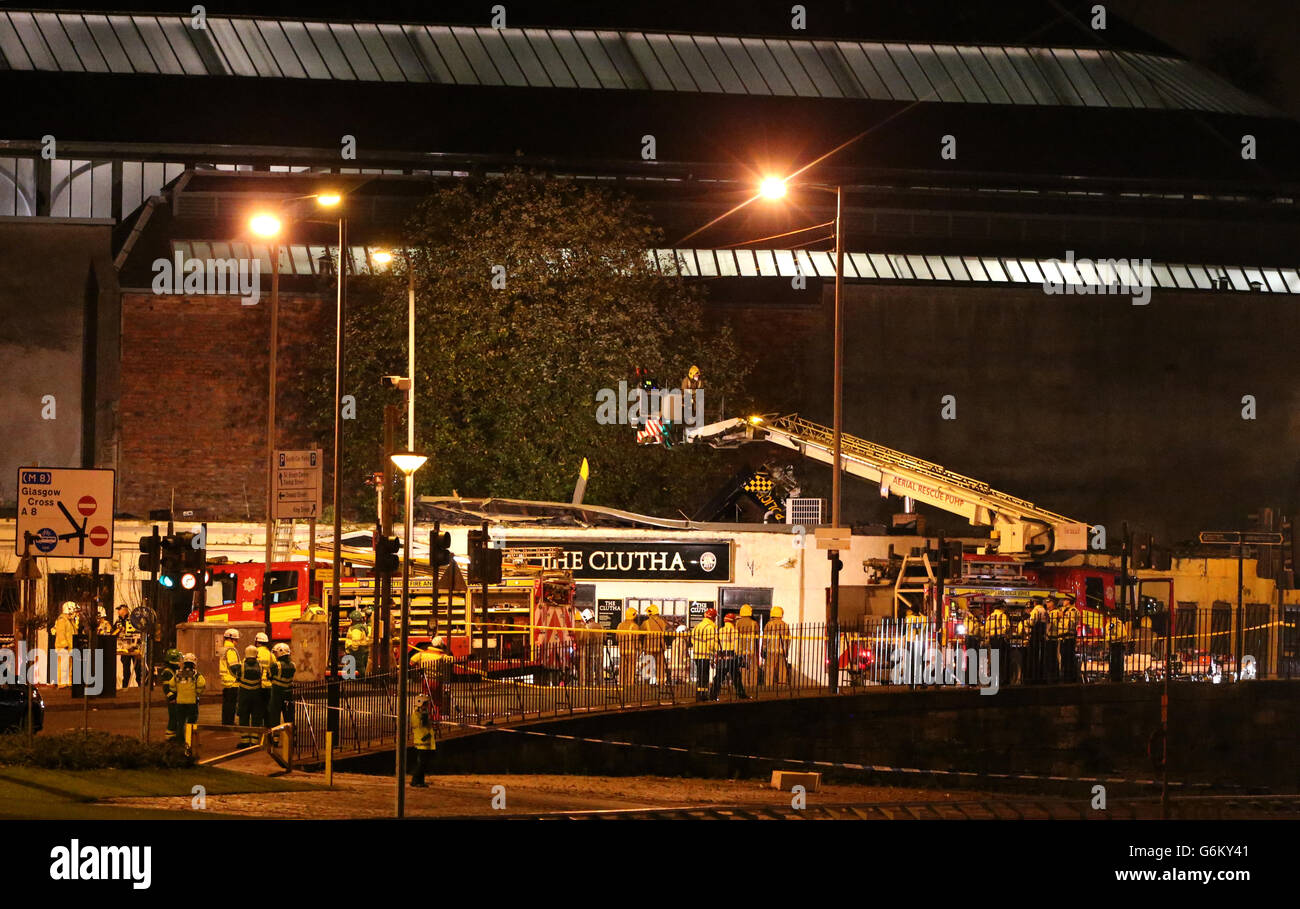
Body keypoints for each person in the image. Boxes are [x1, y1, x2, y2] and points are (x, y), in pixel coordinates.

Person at [233, 645, 265, 746]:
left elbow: (236, 675)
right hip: (257, 695)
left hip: (244, 695)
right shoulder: (260, 666)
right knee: (256, 717)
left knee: (243, 717)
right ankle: (255, 741)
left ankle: (245, 741)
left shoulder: (241, 666)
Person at [712, 613, 749, 700]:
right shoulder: (734, 631)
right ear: (733, 621)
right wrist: (740, 656)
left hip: (722, 656)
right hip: (732, 658)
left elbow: (716, 644)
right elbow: (737, 645)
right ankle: (741, 694)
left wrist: (717, 655)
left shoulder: (720, 630)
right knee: (736, 678)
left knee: (718, 678)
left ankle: (713, 695)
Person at [172, 653, 206, 742]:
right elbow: (202, 684)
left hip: (180, 702)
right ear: (194, 663)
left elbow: (172, 685)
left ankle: (180, 740)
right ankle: (190, 740)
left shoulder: (178, 674)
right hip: (192, 702)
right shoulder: (196, 674)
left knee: (180, 722)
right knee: (191, 723)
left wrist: (177, 692)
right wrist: (197, 693)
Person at [691, 609, 719, 701]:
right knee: (705, 677)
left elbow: (692, 641)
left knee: (700, 676)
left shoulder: (697, 627)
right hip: (705, 655)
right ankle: (703, 696)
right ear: (713, 617)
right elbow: (711, 644)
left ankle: (699, 694)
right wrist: (716, 651)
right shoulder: (709, 628)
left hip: (696, 655)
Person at [410, 694, 437, 788]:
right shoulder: (418, 715)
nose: (427, 705)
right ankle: (415, 781)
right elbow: (422, 727)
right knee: (421, 764)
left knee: (423, 764)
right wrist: (429, 734)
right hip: (422, 742)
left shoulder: (419, 713)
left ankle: (420, 781)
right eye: (425, 703)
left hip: (424, 742)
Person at [267, 642, 295, 727]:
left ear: (280, 652)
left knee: (275, 715)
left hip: (277, 692)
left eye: (276, 652)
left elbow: (269, 676)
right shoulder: (293, 665)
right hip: (289, 692)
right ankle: (290, 735)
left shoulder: (276, 665)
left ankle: (275, 737)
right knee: (288, 715)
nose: (275, 655)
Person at [114, 604, 141, 689]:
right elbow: (113, 631)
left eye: (119, 609)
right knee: (126, 669)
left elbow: (138, 631)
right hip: (124, 648)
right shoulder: (118, 621)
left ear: (125, 610)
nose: (118, 611)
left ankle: (141, 686)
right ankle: (125, 687)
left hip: (134, 647)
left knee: (138, 668)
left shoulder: (133, 620)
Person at [763, 605, 791, 687]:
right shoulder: (785, 625)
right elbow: (788, 639)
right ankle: (782, 683)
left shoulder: (769, 624)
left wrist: (763, 648)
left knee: (769, 668)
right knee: (782, 668)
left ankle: (768, 684)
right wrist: (786, 649)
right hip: (782, 650)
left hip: (771, 650)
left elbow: (765, 638)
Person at [641, 605, 669, 685]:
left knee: (647, 665)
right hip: (660, 647)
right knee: (660, 665)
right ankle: (661, 681)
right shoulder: (663, 623)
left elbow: (640, 634)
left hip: (649, 647)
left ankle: (646, 682)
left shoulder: (646, 623)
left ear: (650, 613)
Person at [218, 628, 241, 726]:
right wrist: (240, 676)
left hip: (225, 681)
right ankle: (229, 722)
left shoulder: (223, 649)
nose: (237, 642)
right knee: (231, 704)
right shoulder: (231, 650)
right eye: (236, 640)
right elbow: (234, 666)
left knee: (226, 703)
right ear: (231, 639)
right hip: (232, 681)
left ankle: (225, 721)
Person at [159, 648, 183, 740]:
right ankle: (170, 736)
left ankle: (173, 735)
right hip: (172, 699)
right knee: (173, 717)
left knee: (176, 717)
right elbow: (166, 688)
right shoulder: (167, 672)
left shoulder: (171, 671)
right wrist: (171, 698)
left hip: (175, 698)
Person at [53, 603, 80, 687]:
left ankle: (68, 682)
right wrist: (64, 644)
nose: (75, 613)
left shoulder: (69, 620)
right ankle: (62, 683)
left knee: (69, 666)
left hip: (69, 647)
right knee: (63, 666)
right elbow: (61, 633)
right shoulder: (62, 620)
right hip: (63, 647)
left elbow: (75, 631)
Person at [986, 600, 1011, 689]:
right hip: (1000, 639)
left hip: (993, 640)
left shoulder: (990, 617)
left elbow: (986, 629)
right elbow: (1006, 627)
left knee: (993, 659)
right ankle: (1001, 679)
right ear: (1001, 607)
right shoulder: (1002, 616)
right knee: (1001, 660)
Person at [735, 604, 760, 690]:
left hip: (741, 650)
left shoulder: (737, 623)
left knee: (743, 668)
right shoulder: (754, 623)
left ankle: (744, 684)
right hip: (751, 649)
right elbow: (757, 636)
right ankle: (753, 685)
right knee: (753, 668)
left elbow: (735, 637)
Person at [616, 607, 640, 687]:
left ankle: (621, 683)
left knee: (622, 668)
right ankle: (630, 684)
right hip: (631, 651)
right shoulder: (634, 626)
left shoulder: (619, 625)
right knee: (631, 668)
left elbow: (617, 638)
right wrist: (639, 649)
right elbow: (636, 640)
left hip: (622, 651)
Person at [1027, 597, 1049, 685]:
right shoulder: (1044, 610)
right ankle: (1041, 675)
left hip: (1035, 633)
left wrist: (1027, 622)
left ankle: (1034, 676)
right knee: (1042, 654)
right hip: (1042, 634)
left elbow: (1032, 622)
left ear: (1035, 603)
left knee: (1034, 655)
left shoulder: (1035, 610)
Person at [1058, 598, 1081, 683]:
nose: (1063, 601)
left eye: (1065, 600)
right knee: (1064, 657)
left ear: (1069, 601)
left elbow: (1070, 624)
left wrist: (1062, 616)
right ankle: (1065, 675)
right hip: (1062, 637)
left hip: (1069, 638)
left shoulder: (1073, 611)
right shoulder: (1064, 610)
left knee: (1069, 658)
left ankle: (1070, 677)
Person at [345, 610, 371, 677]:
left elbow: (356, 640)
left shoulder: (356, 629)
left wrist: (353, 649)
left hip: (356, 651)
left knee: (356, 667)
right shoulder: (361, 627)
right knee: (361, 666)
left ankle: (352, 681)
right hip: (361, 650)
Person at [255, 631, 274, 716]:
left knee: (258, 708)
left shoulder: (253, 653)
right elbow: (274, 668)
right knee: (267, 708)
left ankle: (258, 726)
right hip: (267, 685)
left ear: (257, 642)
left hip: (256, 685)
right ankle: (267, 726)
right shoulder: (270, 654)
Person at [1044, 596, 1062, 683]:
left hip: (1053, 638)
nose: (1046, 604)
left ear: (1053, 603)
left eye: (1048, 602)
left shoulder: (1056, 612)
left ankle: (1053, 676)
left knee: (1053, 658)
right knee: (1048, 658)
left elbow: (1053, 624)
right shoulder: (1049, 612)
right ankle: (1050, 675)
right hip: (1048, 638)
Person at [1105, 615, 1127, 682]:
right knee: (1120, 660)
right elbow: (1124, 634)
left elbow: (1107, 636)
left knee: (1112, 661)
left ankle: (1112, 676)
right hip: (1119, 643)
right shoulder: (1120, 623)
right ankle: (1120, 676)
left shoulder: (1108, 624)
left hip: (1112, 644)